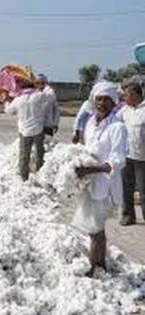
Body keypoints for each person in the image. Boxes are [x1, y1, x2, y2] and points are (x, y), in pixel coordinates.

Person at [72, 82, 127, 277]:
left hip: (105, 185)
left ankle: (98, 267)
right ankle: (97, 264)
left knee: (97, 229)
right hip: (89, 183)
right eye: (99, 99)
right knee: (93, 229)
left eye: (106, 100)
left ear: (113, 103)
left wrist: (91, 169)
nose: (101, 103)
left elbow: (117, 161)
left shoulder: (117, 127)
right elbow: (88, 150)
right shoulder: (90, 123)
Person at [0, 64, 48, 181]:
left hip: (25, 132)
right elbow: (48, 96)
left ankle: (24, 178)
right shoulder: (39, 96)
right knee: (40, 155)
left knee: (24, 156)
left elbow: (8, 111)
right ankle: (41, 176)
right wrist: (37, 83)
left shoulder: (18, 100)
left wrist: (6, 100)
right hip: (38, 130)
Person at [118, 82, 145, 226]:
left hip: (142, 158)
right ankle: (128, 215)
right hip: (127, 155)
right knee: (126, 188)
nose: (123, 98)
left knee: (143, 188)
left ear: (134, 95)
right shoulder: (124, 111)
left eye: (126, 95)